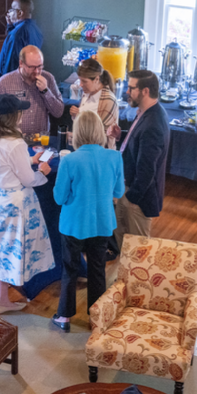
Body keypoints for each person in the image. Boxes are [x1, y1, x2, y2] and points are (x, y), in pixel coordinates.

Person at [0, 94, 56, 312]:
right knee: (12, 250)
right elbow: (28, 179)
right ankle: (3, 300)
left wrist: (30, 160)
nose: (22, 114)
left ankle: (1, 296)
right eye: (20, 112)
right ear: (12, 116)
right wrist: (42, 171)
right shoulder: (15, 143)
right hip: (14, 203)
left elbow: (4, 165)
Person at [52, 111, 124, 332]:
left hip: (73, 223)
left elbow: (59, 197)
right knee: (97, 270)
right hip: (102, 223)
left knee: (70, 269)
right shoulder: (114, 157)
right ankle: (96, 319)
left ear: (78, 132)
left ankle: (64, 317)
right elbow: (118, 192)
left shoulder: (69, 160)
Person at [115, 70, 170, 249]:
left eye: (131, 88)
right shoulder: (147, 112)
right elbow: (138, 141)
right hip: (128, 189)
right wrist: (121, 136)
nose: (127, 92)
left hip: (137, 199)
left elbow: (147, 169)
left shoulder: (153, 123)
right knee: (123, 245)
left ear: (145, 91)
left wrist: (132, 197)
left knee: (138, 252)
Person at [0, 45, 64, 138]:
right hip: (14, 141)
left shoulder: (48, 78)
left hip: (40, 141)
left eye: (40, 66)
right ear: (21, 63)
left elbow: (58, 112)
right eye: (32, 67)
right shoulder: (3, 83)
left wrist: (46, 91)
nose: (37, 71)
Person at [70, 58, 121, 148]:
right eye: (80, 80)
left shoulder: (108, 100)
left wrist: (79, 116)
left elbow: (101, 136)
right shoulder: (86, 93)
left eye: (84, 81)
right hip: (84, 149)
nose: (81, 84)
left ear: (97, 79)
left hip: (100, 153)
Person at [0, 0, 44, 78]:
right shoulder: (36, 29)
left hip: (12, 81)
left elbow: (10, 65)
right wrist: (11, 26)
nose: (8, 13)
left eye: (11, 10)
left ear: (20, 13)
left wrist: (4, 83)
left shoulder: (16, 35)